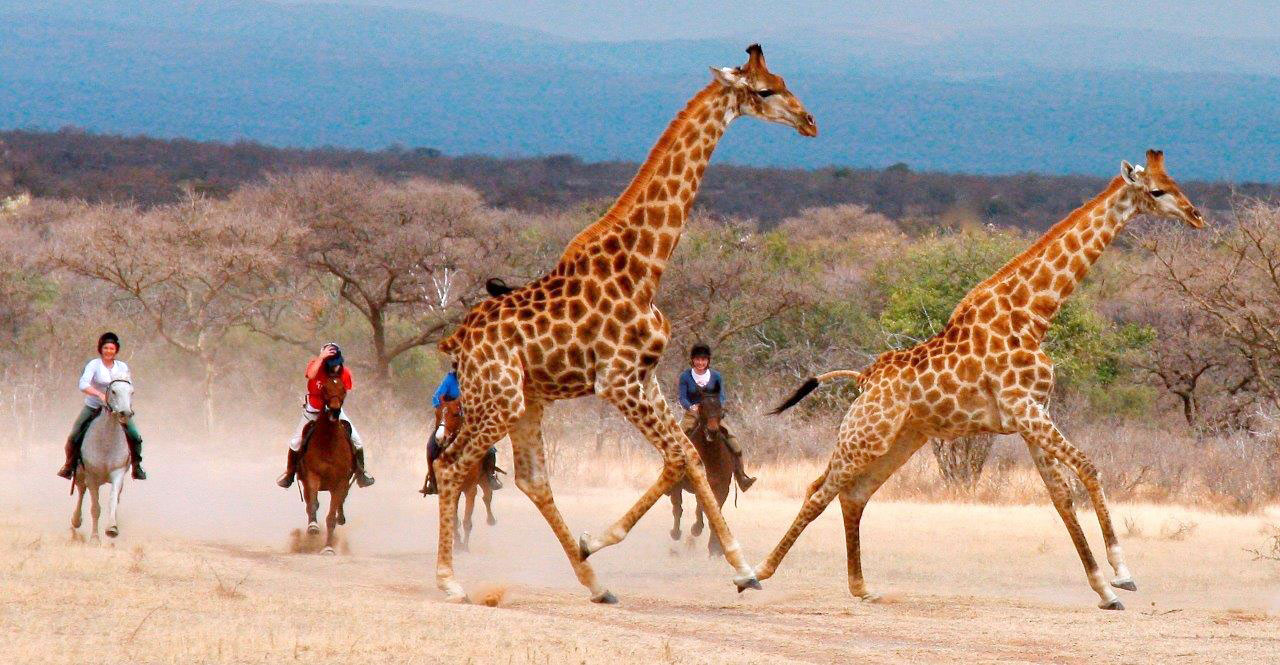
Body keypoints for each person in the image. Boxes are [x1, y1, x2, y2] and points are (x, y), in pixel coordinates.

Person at [277, 343, 375, 489]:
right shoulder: (314, 366)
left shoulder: (345, 373)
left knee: (357, 440)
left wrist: (335, 407)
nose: (336, 366)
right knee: (295, 442)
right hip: (314, 410)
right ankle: (290, 474)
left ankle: (361, 474)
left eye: (338, 362)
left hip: (334, 411)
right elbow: (310, 375)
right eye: (332, 363)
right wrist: (321, 357)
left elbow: (344, 391)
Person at [58, 332, 147, 480]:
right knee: (74, 436)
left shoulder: (122, 367)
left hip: (117, 409)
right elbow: (83, 384)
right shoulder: (94, 365)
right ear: (101, 349)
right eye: (106, 348)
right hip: (94, 406)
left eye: (112, 348)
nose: (109, 351)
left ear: (116, 350)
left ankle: (136, 467)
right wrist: (99, 395)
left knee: (135, 436)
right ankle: (69, 465)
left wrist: (125, 404)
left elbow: (129, 386)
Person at [677, 343, 755, 491]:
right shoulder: (685, 376)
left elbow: (722, 396)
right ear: (692, 360)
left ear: (708, 361)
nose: (700, 363)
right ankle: (673, 478)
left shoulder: (716, 376)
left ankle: (741, 477)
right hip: (693, 414)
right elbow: (682, 397)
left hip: (712, 414)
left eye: (704, 359)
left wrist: (717, 407)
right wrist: (690, 406)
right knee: (676, 441)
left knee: (734, 441)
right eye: (697, 359)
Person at [421, 362, 502, 495]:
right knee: (432, 445)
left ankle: (489, 475)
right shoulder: (450, 379)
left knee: (490, 447)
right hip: (450, 420)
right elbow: (437, 397)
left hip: (471, 420)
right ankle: (433, 480)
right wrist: (443, 407)